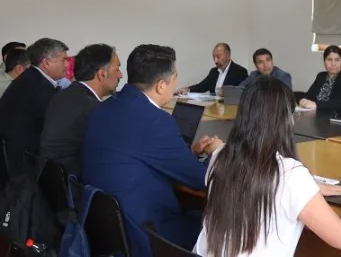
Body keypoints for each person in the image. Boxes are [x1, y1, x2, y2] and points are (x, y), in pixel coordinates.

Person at [193, 77, 341, 256]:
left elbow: (246, 171)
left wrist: (310, 186)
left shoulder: (220, 157)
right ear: (287, 120)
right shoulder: (290, 175)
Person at [82, 44, 222, 257]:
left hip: (106, 231)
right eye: (175, 77)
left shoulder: (104, 108)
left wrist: (187, 153)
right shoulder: (156, 121)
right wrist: (216, 152)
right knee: (219, 227)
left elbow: (136, 152)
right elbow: (202, 178)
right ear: (161, 85)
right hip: (148, 234)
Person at [40, 44, 123, 176]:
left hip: (48, 179)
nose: (121, 75)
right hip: (72, 183)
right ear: (102, 74)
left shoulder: (64, 94)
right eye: (117, 68)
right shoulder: (93, 109)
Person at [0, 38, 68, 176]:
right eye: (63, 60)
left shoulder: (30, 78)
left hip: (13, 157)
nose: (67, 65)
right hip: (23, 167)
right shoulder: (40, 89)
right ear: (46, 62)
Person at [299, 45, 341, 116]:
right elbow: (309, 95)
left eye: (337, 60)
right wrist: (303, 100)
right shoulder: (321, 76)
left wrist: (317, 105)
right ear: (324, 62)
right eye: (329, 60)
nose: (333, 64)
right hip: (317, 117)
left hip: (338, 119)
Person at [176, 43, 247, 96]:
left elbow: (242, 93)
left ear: (228, 56)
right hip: (213, 109)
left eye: (218, 57)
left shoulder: (240, 71)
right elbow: (202, 86)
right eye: (214, 57)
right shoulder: (214, 71)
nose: (215, 60)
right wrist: (188, 89)